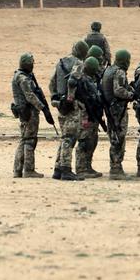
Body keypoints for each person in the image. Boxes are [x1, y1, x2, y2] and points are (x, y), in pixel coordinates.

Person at [50, 41, 89, 181]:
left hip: (61, 104)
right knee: (70, 137)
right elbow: (72, 81)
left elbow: (52, 81)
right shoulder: (78, 63)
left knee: (64, 136)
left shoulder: (60, 63)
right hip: (71, 105)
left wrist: (55, 98)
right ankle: (66, 169)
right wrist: (71, 98)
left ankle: (58, 168)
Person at [11, 53, 50, 178]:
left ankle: (17, 170)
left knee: (24, 139)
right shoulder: (23, 78)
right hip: (29, 112)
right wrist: (43, 108)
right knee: (30, 140)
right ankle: (29, 169)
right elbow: (30, 96)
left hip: (23, 111)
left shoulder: (19, 75)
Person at [70, 52, 106, 178]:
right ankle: (81, 168)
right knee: (84, 141)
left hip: (93, 114)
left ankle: (87, 166)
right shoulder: (83, 81)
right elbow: (82, 100)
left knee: (92, 140)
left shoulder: (91, 79)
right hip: (85, 114)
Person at [101, 49, 136, 178]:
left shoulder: (109, 70)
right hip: (117, 110)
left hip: (110, 109)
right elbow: (118, 90)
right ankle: (116, 167)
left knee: (114, 137)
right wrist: (131, 95)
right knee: (118, 138)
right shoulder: (119, 72)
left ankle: (115, 166)